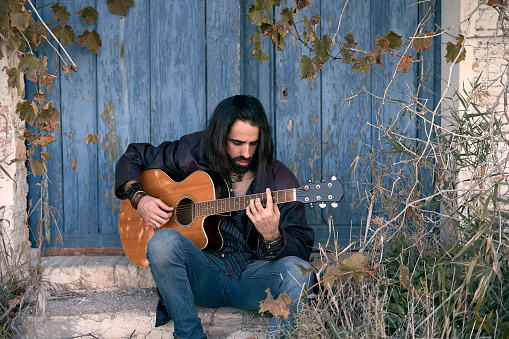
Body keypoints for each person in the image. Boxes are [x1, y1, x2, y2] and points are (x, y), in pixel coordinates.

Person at [115, 95, 314, 338]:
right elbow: (134, 155)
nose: (246, 152)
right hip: (202, 274)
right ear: (220, 136)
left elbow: (302, 251)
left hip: (253, 279)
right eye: (237, 142)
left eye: (253, 143)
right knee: (162, 243)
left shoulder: (280, 181)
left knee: (298, 271)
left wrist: (273, 236)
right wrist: (139, 198)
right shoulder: (192, 152)